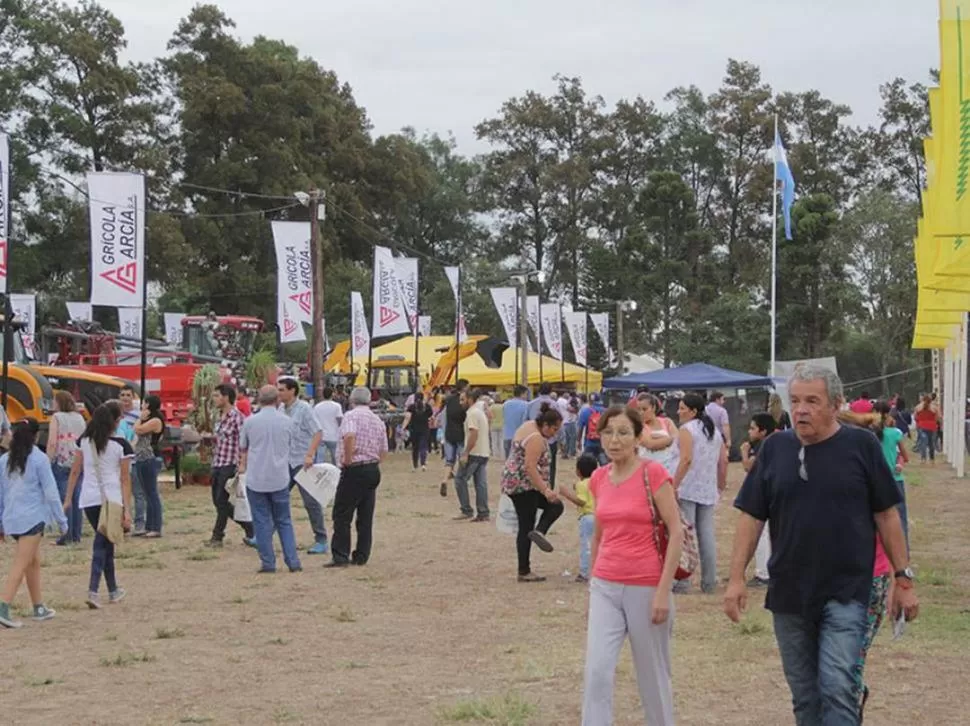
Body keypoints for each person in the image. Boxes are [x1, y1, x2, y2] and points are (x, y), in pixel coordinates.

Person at [725, 365, 918, 725]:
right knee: (805, 696)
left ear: (836, 404)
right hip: (789, 592)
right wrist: (736, 578)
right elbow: (751, 517)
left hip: (846, 591)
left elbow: (887, 515)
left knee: (837, 687)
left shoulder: (861, 446)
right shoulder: (774, 449)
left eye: (812, 401)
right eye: (795, 400)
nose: (801, 410)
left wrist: (902, 579)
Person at [581, 406, 682, 726]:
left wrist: (663, 592)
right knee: (596, 672)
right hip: (606, 586)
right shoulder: (598, 478)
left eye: (623, 432)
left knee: (652, 675)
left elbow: (676, 530)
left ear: (639, 437)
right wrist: (594, 578)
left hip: (646, 584)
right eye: (608, 432)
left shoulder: (653, 474)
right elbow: (599, 533)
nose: (614, 440)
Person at [64, 402, 133, 609]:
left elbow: (75, 471)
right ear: (114, 421)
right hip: (111, 499)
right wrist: (127, 509)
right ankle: (93, 590)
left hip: (89, 498)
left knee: (106, 543)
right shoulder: (121, 444)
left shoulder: (84, 441)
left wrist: (68, 498)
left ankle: (112, 589)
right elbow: (124, 478)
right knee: (101, 544)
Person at [0, 420, 67, 628]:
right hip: (32, 518)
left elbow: (1, 493)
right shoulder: (39, 459)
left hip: (12, 518)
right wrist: (62, 521)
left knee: (32, 562)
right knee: (20, 564)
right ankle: (3, 606)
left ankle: (38, 606)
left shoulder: (4, 459)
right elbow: (51, 492)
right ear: (36, 436)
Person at [239, 385, 301, 574]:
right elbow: (293, 444)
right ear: (277, 400)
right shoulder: (287, 422)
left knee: (261, 521)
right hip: (280, 477)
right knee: (284, 520)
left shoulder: (250, 422)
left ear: (259, 399)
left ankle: (268, 562)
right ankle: (293, 561)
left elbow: (243, 447)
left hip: (257, 477)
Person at [500, 403, 564, 582]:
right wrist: (545, 490)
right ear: (545, 425)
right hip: (523, 486)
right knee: (527, 525)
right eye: (554, 429)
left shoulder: (528, 425)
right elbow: (530, 467)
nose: (555, 433)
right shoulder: (536, 438)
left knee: (555, 507)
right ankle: (524, 570)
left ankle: (539, 532)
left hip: (523, 483)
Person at [671, 393, 727, 595]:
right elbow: (723, 461)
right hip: (707, 487)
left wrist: (673, 485)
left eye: (682, 408)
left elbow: (685, 459)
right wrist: (721, 484)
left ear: (693, 411)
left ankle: (684, 581)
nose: (679, 412)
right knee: (706, 534)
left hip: (687, 487)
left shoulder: (687, 430)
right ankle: (709, 581)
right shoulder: (715, 432)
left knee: (685, 536)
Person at [327, 387, 387, 568]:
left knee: (342, 514)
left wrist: (347, 459)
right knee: (365, 514)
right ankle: (361, 555)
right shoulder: (377, 420)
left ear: (352, 400)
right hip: (372, 468)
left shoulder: (351, 416)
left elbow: (349, 436)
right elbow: (384, 449)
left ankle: (341, 555)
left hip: (355, 468)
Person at [277, 378, 326, 555]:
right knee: (277, 498)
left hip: (302, 462)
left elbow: (318, 432)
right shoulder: (281, 409)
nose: (279, 393)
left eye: (282, 390)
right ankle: (264, 535)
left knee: (310, 502)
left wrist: (310, 454)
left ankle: (321, 538)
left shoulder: (304, 409)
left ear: (292, 391)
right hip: (285, 461)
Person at [207, 384, 255, 547]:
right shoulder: (219, 416)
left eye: (216, 396)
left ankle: (217, 536)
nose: (214, 399)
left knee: (221, 500)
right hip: (218, 462)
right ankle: (249, 527)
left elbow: (245, 442)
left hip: (230, 464)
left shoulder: (237, 417)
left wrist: (242, 463)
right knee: (218, 501)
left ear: (226, 397)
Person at [740, 413, 777, 588]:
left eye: (753, 428)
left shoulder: (763, 446)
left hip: (766, 497)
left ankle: (763, 572)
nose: (750, 431)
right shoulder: (772, 443)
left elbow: (749, 467)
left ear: (763, 431)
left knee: (761, 534)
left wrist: (744, 454)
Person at [47, 391, 86, 545]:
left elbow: (52, 441)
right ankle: (76, 533)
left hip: (62, 460)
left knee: (65, 498)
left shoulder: (56, 418)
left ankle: (66, 533)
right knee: (76, 498)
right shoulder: (79, 417)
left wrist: (48, 461)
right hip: (78, 460)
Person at [873, 400, 910, 549]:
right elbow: (904, 456)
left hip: (875, 481)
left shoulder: (866, 434)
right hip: (895, 479)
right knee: (900, 519)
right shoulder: (895, 433)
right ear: (888, 414)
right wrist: (900, 463)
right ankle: (904, 553)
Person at [558, 453, 598, 583]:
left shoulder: (581, 485)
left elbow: (581, 501)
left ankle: (585, 573)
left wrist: (567, 494)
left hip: (587, 517)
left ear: (578, 471)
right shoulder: (598, 481)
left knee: (586, 545)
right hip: (599, 516)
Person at [453, 388, 491, 522]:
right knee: (480, 483)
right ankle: (483, 512)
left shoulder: (472, 413)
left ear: (470, 399)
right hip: (483, 451)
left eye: (463, 399)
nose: (460, 403)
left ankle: (466, 509)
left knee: (460, 479)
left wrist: (466, 452)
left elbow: (473, 433)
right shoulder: (480, 413)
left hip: (474, 452)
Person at [132, 395, 165, 539]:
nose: (142, 405)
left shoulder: (156, 420)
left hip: (149, 458)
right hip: (140, 458)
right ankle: (149, 526)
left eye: (144, 403)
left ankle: (156, 527)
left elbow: (138, 429)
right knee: (146, 493)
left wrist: (139, 418)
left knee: (152, 493)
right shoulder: (148, 419)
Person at [118, 385, 143, 535]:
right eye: (122, 395)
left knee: (138, 493)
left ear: (133, 398)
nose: (125, 398)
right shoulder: (116, 415)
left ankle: (140, 523)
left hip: (134, 459)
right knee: (120, 493)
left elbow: (137, 436)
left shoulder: (138, 416)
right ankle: (123, 522)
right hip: (118, 461)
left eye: (128, 395)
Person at [439, 379, 469, 498]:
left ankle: (445, 480)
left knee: (449, 460)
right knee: (462, 458)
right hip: (461, 433)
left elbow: (443, 417)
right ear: (464, 387)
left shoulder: (448, 400)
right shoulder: (464, 401)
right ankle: (462, 478)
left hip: (449, 433)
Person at [636, 393, 679, 474]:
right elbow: (650, 444)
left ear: (653, 408)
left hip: (669, 469)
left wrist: (661, 441)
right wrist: (668, 439)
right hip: (648, 470)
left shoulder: (667, 421)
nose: (641, 412)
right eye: (638, 409)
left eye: (644, 409)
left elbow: (677, 440)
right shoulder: (638, 426)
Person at [528, 383, 561, 486]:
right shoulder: (554, 404)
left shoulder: (531, 404)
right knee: (550, 465)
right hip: (550, 440)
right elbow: (559, 423)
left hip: (533, 438)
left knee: (534, 463)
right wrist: (559, 437)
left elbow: (525, 421)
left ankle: (534, 484)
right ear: (550, 391)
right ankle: (549, 486)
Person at [313, 387, 343, 465]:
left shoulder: (317, 407)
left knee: (320, 458)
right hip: (333, 435)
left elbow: (314, 421)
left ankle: (318, 473)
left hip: (320, 435)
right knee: (335, 457)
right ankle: (336, 473)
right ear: (332, 394)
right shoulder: (337, 406)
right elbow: (339, 419)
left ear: (323, 395)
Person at [403, 393, 432, 471]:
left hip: (414, 430)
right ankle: (423, 464)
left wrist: (403, 427)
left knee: (415, 448)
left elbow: (407, 418)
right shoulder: (427, 407)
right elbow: (430, 417)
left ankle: (414, 465)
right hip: (425, 429)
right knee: (423, 447)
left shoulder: (411, 407)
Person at [578, 393, 607, 465]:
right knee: (604, 465)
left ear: (590, 401)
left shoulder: (585, 411)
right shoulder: (606, 411)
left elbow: (580, 428)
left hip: (589, 442)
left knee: (588, 465)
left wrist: (578, 441)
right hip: (602, 442)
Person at [502, 386, 530, 459]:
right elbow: (525, 421)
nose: (527, 396)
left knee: (508, 461)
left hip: (507, 435)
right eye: (526, 394)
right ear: (522, 394)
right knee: (519, 462)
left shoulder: (506, 404)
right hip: (520, 437)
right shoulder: (526, 405)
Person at [914, 395, 939, 463]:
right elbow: (937, 418)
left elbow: (915, 417)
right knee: (931, 442)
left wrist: (919, 422)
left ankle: (923, 458)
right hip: (932, 426)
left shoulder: (918, 407)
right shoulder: (934, 408)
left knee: (923, 442)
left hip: (922, 426)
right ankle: (932, 458)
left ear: (922, 399)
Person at [489, 394, 504, 459]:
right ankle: (502, 455)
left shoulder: (491, 407)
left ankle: (495, 455)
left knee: (494, 441)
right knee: (501, 441)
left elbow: (490, 416)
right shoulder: (503, 406)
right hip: (502, 425)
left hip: (493, 425)